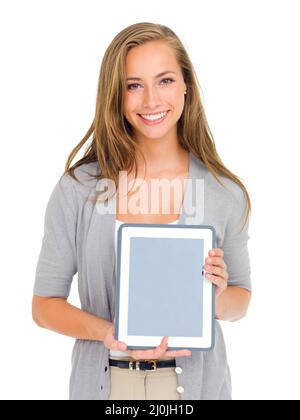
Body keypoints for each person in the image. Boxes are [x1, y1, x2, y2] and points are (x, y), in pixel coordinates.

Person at [32, 22, 252, 400]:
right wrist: (107, 332)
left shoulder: (222, 192)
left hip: (197, 389)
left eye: (165, 81)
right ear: (116, 96)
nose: (151, 100)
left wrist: (214, 295)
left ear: (187, 85)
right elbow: (43, 306)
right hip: (106, 387)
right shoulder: (79, 189)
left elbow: (240, 301)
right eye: (134, 85)